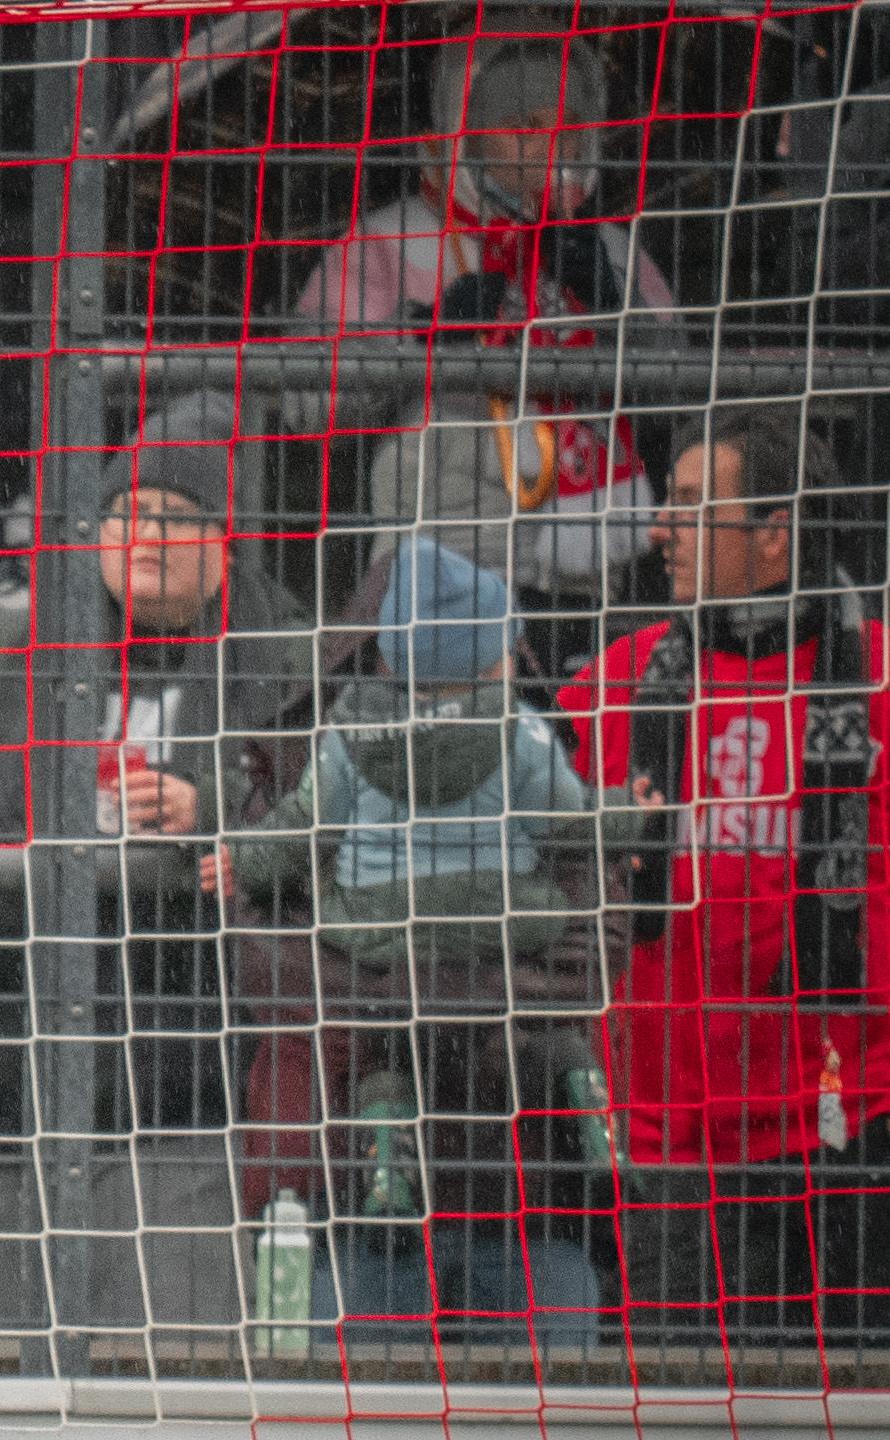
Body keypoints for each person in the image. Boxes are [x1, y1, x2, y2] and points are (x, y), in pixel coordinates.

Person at [0, 404, 315, 1335]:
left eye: (178, 515)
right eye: (126, 511)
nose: (145, 536)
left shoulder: (287, 671)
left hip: (180, 1097)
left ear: (228, 542)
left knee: (173, 1390)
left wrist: (215, 813)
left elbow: (333, 832)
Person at [207, 539, 651, 1345]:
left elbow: (590, 961)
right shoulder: (292, 750)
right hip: (341, 1215)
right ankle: (561, 1088)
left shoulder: (513, 737)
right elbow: (268, 966)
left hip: (528, 1205)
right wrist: (480, 974)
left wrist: (388, 971)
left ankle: (408, 1107)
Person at [556, 405, 890, 1355]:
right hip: (671, 1134)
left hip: (848, 1113)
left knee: (854, 1417)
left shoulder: (879, 682)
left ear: (773, 531)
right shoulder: (612, 684)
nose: (661, 526)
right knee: (681, 1434)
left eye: (695, 506)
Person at [285, 20, 672, 662]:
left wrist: (614, 309)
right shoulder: (389, 243)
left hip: (593, 583)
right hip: (436, 570)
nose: (552, 144)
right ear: (460, 128)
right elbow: (304, 405)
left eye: (569, 123)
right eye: (523, 125)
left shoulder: (610, 251)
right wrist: (418, 337)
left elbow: (690, 397)